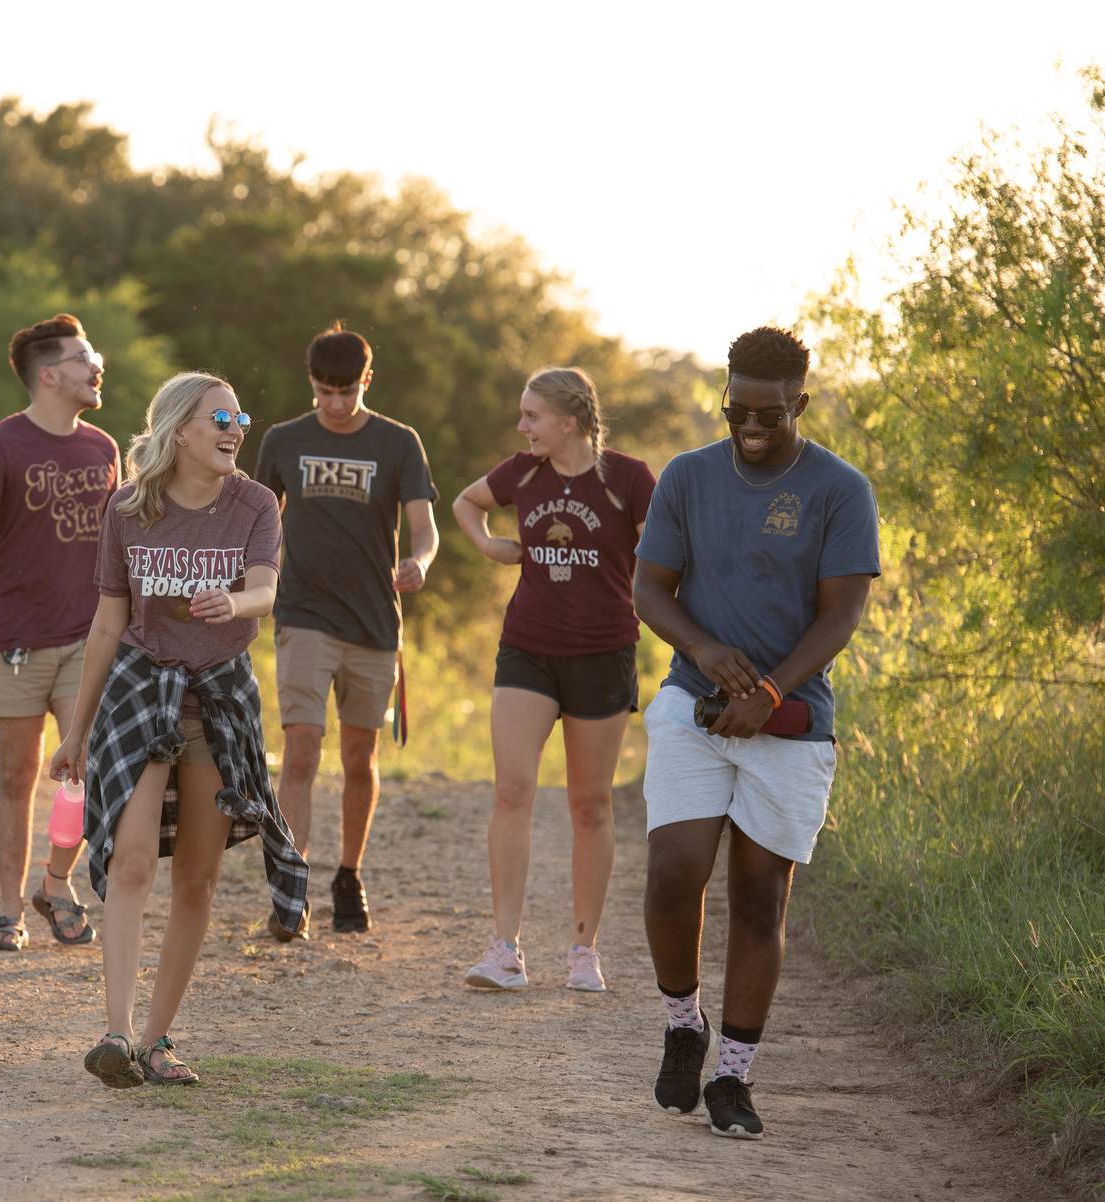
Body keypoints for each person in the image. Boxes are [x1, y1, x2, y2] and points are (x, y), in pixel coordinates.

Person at [633, 326, 879, 1140]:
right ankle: (682, 1022)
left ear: (799, 403)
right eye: (738, 408)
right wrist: (702, 648)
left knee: (760, 897)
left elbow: (842, 613)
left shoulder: (840, 490)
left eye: (769, 413)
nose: (751, 425)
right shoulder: (690, 476)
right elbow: (650, 588)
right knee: (675, 873)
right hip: (693, 707)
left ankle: (733, 1077)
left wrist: (772, 689)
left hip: (793, 722)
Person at [49, 371, 307, 1089]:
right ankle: (117, 1033)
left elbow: (266, 588)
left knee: (197, 875)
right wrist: (76, 732)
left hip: (218, 695)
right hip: (141, 685)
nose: (235, 429)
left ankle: (159, 1041)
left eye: (240, 417)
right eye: (219, 417)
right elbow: (107, 622)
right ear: (179, 430)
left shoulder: (254, 502)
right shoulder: (130, 509)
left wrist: (237, 601)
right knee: (129, 862)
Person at [450, 368, 656, 993]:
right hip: (528, 650)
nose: (522, 427)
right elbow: (466, 502)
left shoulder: (628, 478)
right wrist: (490, 547)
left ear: (570, 421)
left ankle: (583, 951)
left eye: (533, 416)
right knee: (512, 790)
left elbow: (664, 554)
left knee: (589, 804)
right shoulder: (523, 472)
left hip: (602, 654)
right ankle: (504, 951)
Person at [254, 323, 438, 939]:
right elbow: (257, 520)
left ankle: (348, 873)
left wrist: (420, 561)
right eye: (324, 392)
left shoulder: (398, 442)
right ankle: (291, 883)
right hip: (303, 614)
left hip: (374, 622)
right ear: (311, 383)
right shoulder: (283, 441)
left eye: (347, 392)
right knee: (301, 745)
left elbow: (424, 525)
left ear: (367, 381)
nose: (335, 404)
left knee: (360, 757)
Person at [0, 313, 119, 952]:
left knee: (84, 766)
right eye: (84, 357)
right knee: (17, 775)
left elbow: (118, 539)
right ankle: (7, 909)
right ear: (49, 375)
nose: (96, 365)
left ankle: (56, 883)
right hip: (14, 638)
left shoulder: (104, 448)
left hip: (86, 636)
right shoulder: (0, 445)